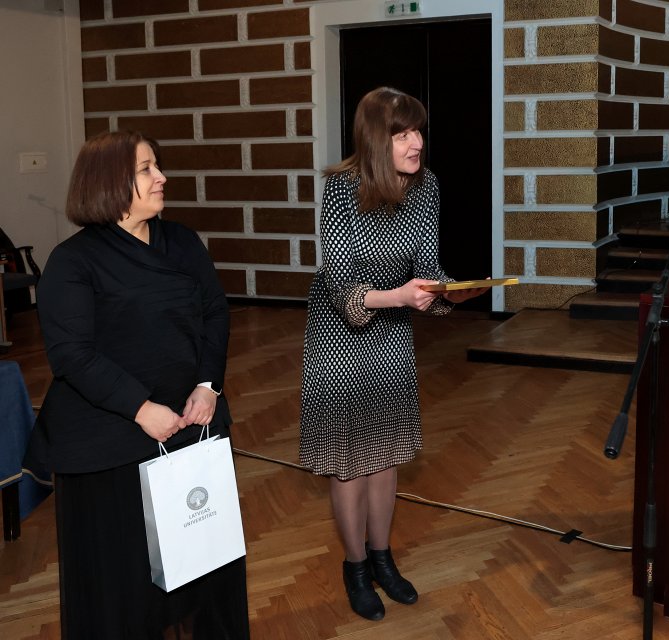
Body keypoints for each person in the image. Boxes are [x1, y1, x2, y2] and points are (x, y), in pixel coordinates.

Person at [29, 130, 249, 638]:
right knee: (126, 577)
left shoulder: (182, 242)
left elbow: (215, 312)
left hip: (193, 422)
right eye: (147, 169)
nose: (161, 177)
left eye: (156, 165)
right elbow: (71, 355)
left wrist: (208, 384)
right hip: (110, 440)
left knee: (204, 564)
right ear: (109, 182)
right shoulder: (73, 261)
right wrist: (139, 408)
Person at [299, 86, 487, 621]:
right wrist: (402, 296)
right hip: (340, 333)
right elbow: (341, 287)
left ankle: (382, 558)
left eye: (418, 131)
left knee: (385, 456)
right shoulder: (341, 189)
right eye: (402, 133)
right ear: (376, 139)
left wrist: (452, 291)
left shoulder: (426, 186)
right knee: (350, 463)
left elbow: (425, 266)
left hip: (392, 332)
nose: (416, 142)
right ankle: (354, 566)